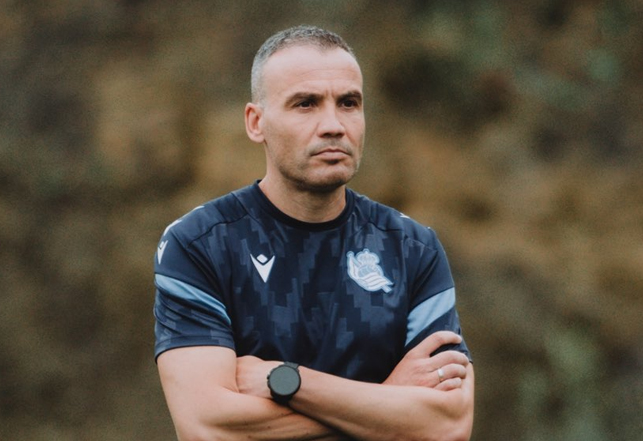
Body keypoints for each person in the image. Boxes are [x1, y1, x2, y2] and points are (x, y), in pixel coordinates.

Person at [153, 25, 474, 441]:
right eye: (306, 104)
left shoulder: (413, 249)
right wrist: (389, 399)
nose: (333, 125)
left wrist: (289, 381)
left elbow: (448, 425)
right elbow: (208, 428)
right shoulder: (200, 244)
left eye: (349, 103)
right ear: (256, 122)